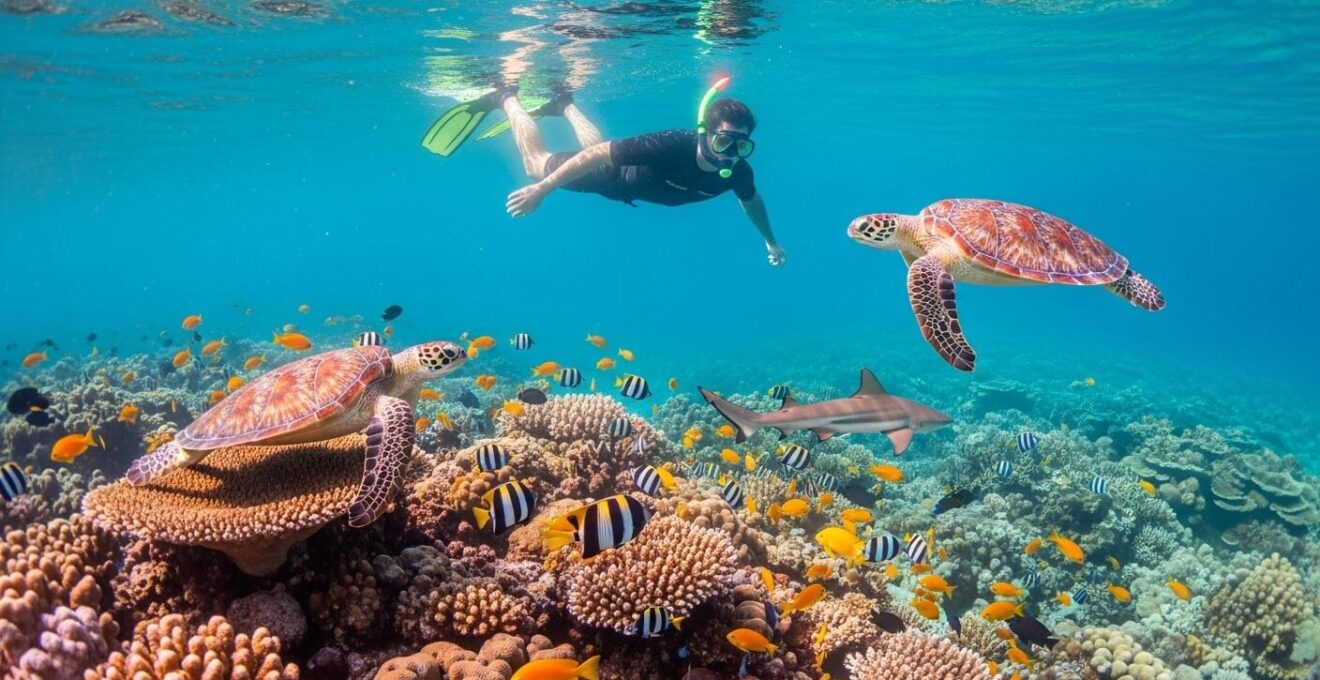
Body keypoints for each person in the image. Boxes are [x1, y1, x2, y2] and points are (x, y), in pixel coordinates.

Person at [424, 79, 786, 267]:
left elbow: (752, 203)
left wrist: (769, 240)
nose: (732, 155)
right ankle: (505, 96)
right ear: (707, 134)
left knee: (594, 152)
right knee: (535, 164)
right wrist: (543, 189)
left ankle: (563, 104)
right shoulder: (670, 145)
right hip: (610, 179)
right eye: (725, 143)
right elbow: (599, 154)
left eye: (742, 146)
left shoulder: (740, 172)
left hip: (628, 189)